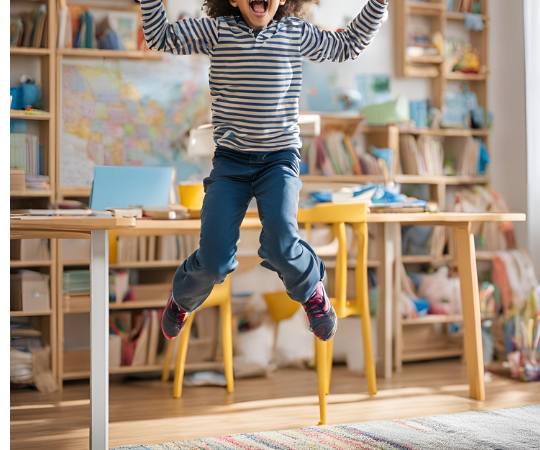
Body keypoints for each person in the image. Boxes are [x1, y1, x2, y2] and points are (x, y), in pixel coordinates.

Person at [139, 0, 388, 342]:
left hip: (279, 161)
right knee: (214, 260)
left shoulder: (296, 33)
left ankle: (312, 290)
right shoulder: (217, 31)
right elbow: (160, 37)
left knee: (282, 246)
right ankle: (182, 299)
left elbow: (348, 45)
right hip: (230, 163)